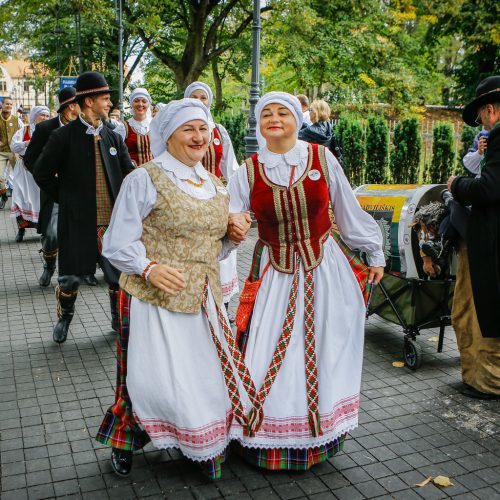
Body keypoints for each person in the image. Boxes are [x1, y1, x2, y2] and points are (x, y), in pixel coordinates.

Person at [227, 92, 385, 470]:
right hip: (275, 275)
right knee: (268, 351)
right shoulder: (245, 172)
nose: (275, 119)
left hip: (324, 270)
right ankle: (267, 438)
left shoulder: (321, 158)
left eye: (283, 112)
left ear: (298, 119)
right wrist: (229, 234)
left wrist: (373, 250)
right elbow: (230, 224)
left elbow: (347, 209)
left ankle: (318, 434)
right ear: (258, 123)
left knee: (322, 347)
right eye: (267, 114)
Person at [96, 98, 251, 478]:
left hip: (204, 299)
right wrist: (149, 268)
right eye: (189, 129)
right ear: (168, 134)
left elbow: (212, 248)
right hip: (155, 300)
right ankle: (126, 437)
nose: (199, 137)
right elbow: (116, 242)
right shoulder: (145, 179)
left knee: (200, 374)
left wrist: (233, 237)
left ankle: (199, 441)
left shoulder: (215, 185)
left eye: (203, 129)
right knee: (148, 378)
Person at [33, 71, 135, 344]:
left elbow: (129, 174)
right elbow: (41, 173)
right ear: (89, 102)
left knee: (117, 278)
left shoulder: (113, 137)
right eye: (105, 98)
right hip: (77, 222)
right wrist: (65, 198)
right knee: (70, 278)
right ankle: (65, 317)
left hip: (113, 224)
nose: (110, 104)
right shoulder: (63, 137)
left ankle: (117, 319)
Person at [447, 75, 500, 399]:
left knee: (482, 310)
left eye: (481, 116)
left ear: (490, 110)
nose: (481, 122)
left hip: (491, 240)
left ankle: (487, 382)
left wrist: (456, 184)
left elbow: (489, 188)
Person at [184, 81, 240, 310]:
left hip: (215, 198)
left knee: (222, 249)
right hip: (187, 197)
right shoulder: (180, 130)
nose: (199, 101)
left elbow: (231, 168)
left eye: (203, 97)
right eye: (194, 97)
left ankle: (222, 305)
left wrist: (236, 204)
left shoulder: (219, 131)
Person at [24, 88, 86, 287]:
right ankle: (49, 266)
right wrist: (47, 177)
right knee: (51, 234)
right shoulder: (45, 129)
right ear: (70, 107)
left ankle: (80, 271)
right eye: (79, 103)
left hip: (79, 189)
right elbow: (30, 159)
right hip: (54, 189)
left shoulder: (84, 126)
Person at [10, 105, 50, 242]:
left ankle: (44, 228)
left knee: (41, 200)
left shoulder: (51, 131)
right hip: (24, 170)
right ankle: (21, 230)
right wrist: (26, 143)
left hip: (41, 170)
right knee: (21, 198)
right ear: (34, 116)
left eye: (46, 115)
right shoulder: (25, 130)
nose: (44, 118)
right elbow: (13, 146)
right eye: (42, 115)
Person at [114, 88, 153, 166]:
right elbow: (114, 150)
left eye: (144, 101)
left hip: (154, 173)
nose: (140, 104)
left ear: (148, 104)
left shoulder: (155, 124)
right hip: (132, 173)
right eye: (136, 101)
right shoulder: (124, 127)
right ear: (131, 104)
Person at [298, 98, 343, 164]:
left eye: (311, 110)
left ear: (315, 113)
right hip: (327, 163)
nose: (309, 113)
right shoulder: (328, 126)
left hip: (314, 166)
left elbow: (292, 138)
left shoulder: (310, 131)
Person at [0, 96, 23, 209]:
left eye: (10, 104)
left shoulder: (16, 120)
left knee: (19, 176)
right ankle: (3, 195)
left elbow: (23, 134)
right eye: (6, 104)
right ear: (2, 104)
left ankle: (18, 202)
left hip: (14, 152)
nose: (8, 106)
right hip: (1, 152)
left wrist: (20, 149)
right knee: (0, 178)